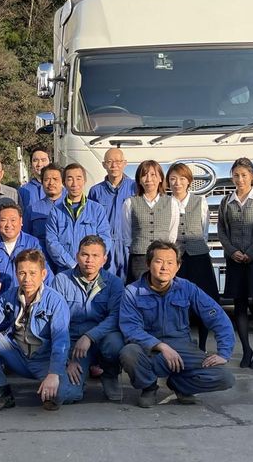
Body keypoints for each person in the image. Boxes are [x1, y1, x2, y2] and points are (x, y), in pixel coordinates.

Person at [119, 241, 235, 408]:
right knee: (129, 352)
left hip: (183, 350)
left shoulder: (186, 288)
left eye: (170, 263)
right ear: (148, 264)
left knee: (225, 378)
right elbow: (131, 329)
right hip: (150, 350)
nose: (164, 267)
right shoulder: (132, 292)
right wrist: (161, 346)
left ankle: (181, 385)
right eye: (159, 261)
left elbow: (218, 317)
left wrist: (224, 353)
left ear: (178, 266)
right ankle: (149, 387)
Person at [0, 249, 82, 413]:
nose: (27, 279)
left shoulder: (55, 301)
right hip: (17, 355)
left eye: (32, 273)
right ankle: (1, 391)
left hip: (43, 360)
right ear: (16, 274)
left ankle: (57, 386)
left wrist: (54, 373)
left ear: (43, 274)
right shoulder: (10, 295)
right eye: (22, 273)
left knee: (61, 395)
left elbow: (60, 341)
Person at [218, 157, 253, 369]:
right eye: (236, 175)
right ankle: (246, 349)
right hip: (235, 261)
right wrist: (232, 251)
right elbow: (221, 230)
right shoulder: (227, 201)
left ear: (252, 176)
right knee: (239, 305)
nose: (240, 179)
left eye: (244, 175)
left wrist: (251, 253)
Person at [52, 235, 124, 402]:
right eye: (85, 255)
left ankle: (110, 374)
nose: (89, 260)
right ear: (77, 256)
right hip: (73, 344)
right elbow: (55, 322)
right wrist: (67, 360)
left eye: (95, 256)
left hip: (102, 338)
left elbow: (115, 317)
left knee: (115, 343)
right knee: (64, 395)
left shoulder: (114, 283)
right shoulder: (61, 280)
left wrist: (90, 336)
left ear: (104, 260)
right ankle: (79, 381)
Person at [167, 162, 219, 352]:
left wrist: (196, 246)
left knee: (203, 300)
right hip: (177, 259)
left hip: (198, 258)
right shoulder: (165, 202)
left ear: (189, 181)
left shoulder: (200, 201)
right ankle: (182, 344)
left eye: (182, 179)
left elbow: (203, 230)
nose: (177, 183)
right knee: (178, 302)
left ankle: (203, 345)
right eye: (173, 179)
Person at [45, 163, 112, 274]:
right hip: (66, 271)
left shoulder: (97, 209)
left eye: (78, 178)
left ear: (84, 181)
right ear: (64, 183)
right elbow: (51, 242)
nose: (74, 183)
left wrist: (92, 261)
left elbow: (105, 238)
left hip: (92, 270)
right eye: (70, 179)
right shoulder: (56, 212)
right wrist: (73, 264)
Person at [121, 160, 179, 284]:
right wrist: (137, 247)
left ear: (160, 178)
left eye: (153, 175)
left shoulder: (171, 202)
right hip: (139, 257)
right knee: (138, 290)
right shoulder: (130, 203)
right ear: (139, 180)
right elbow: (127, 233)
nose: (148, 179)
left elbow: (172, 233)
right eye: (144, 175)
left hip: (163, 258)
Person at [88, 148, 137, 279]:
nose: (114, 165)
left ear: (125, 163)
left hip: (129, 245)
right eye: (109, 162)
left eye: (118, 161)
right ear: (104, 164)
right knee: (105, 282)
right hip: (105, 246)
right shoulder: (96, 191)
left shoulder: (135, 188)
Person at [23, 164, 65, 251]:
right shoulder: (32, 209)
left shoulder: (71, 207)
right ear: (42, 183)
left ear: (62, 182)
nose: (51, 183)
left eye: (55, 179)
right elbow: (25, 238)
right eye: (46, 180)